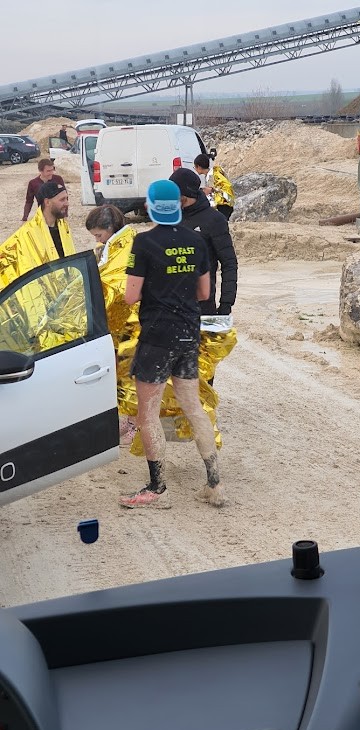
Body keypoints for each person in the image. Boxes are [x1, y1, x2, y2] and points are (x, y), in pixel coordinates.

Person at [119, 179, 225, 510]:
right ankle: (214, 484)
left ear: (151, 207)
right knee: (192, 405)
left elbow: (131, 295)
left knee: (147, 411)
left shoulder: (144, 242)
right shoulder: (196, 241)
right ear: (178, 205)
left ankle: (157, 489)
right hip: (188, 332)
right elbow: (205, 293)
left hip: (156, 336)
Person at [85, 204, 138, 446]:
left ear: (110, 228)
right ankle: (128, 421)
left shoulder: (125, 246)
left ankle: (134, 424)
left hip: (130, 321)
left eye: (98, 234)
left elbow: (118, 284)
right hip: (119, 321)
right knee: (122, 372)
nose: (97, 240)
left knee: (130, 373)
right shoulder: (112, 245)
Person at [169, 168, 237, 317]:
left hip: (202, 308)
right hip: (171, 307)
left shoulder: (214, 220)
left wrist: (226, 304)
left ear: (184, 196)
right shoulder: (170, 218)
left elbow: (229, 263)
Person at [0, 180, 74, 288]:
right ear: (47, 202)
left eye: (67, 198)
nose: (67, 203)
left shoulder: (64, 227)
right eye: (62, 199)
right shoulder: (27, 233)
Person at [194, 154, 235, 221]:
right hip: (225, 204)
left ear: (198, 167)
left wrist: (212, 190)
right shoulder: (213, 172)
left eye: (195, 167)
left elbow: (221, 188)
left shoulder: (211, 176)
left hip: (222, 205)